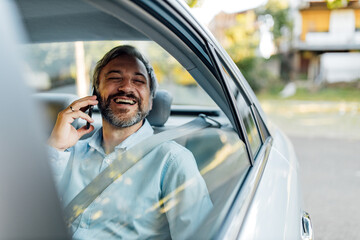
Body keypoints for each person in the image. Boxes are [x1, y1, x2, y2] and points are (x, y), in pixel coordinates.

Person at [47, 45, 212, 239]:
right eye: (115, 78)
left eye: (139, 81)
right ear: (95, 95)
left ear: (150, 101)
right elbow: (27, 216)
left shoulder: (172, 160)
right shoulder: (66, 154)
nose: (126, 87)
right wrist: (55, 148)